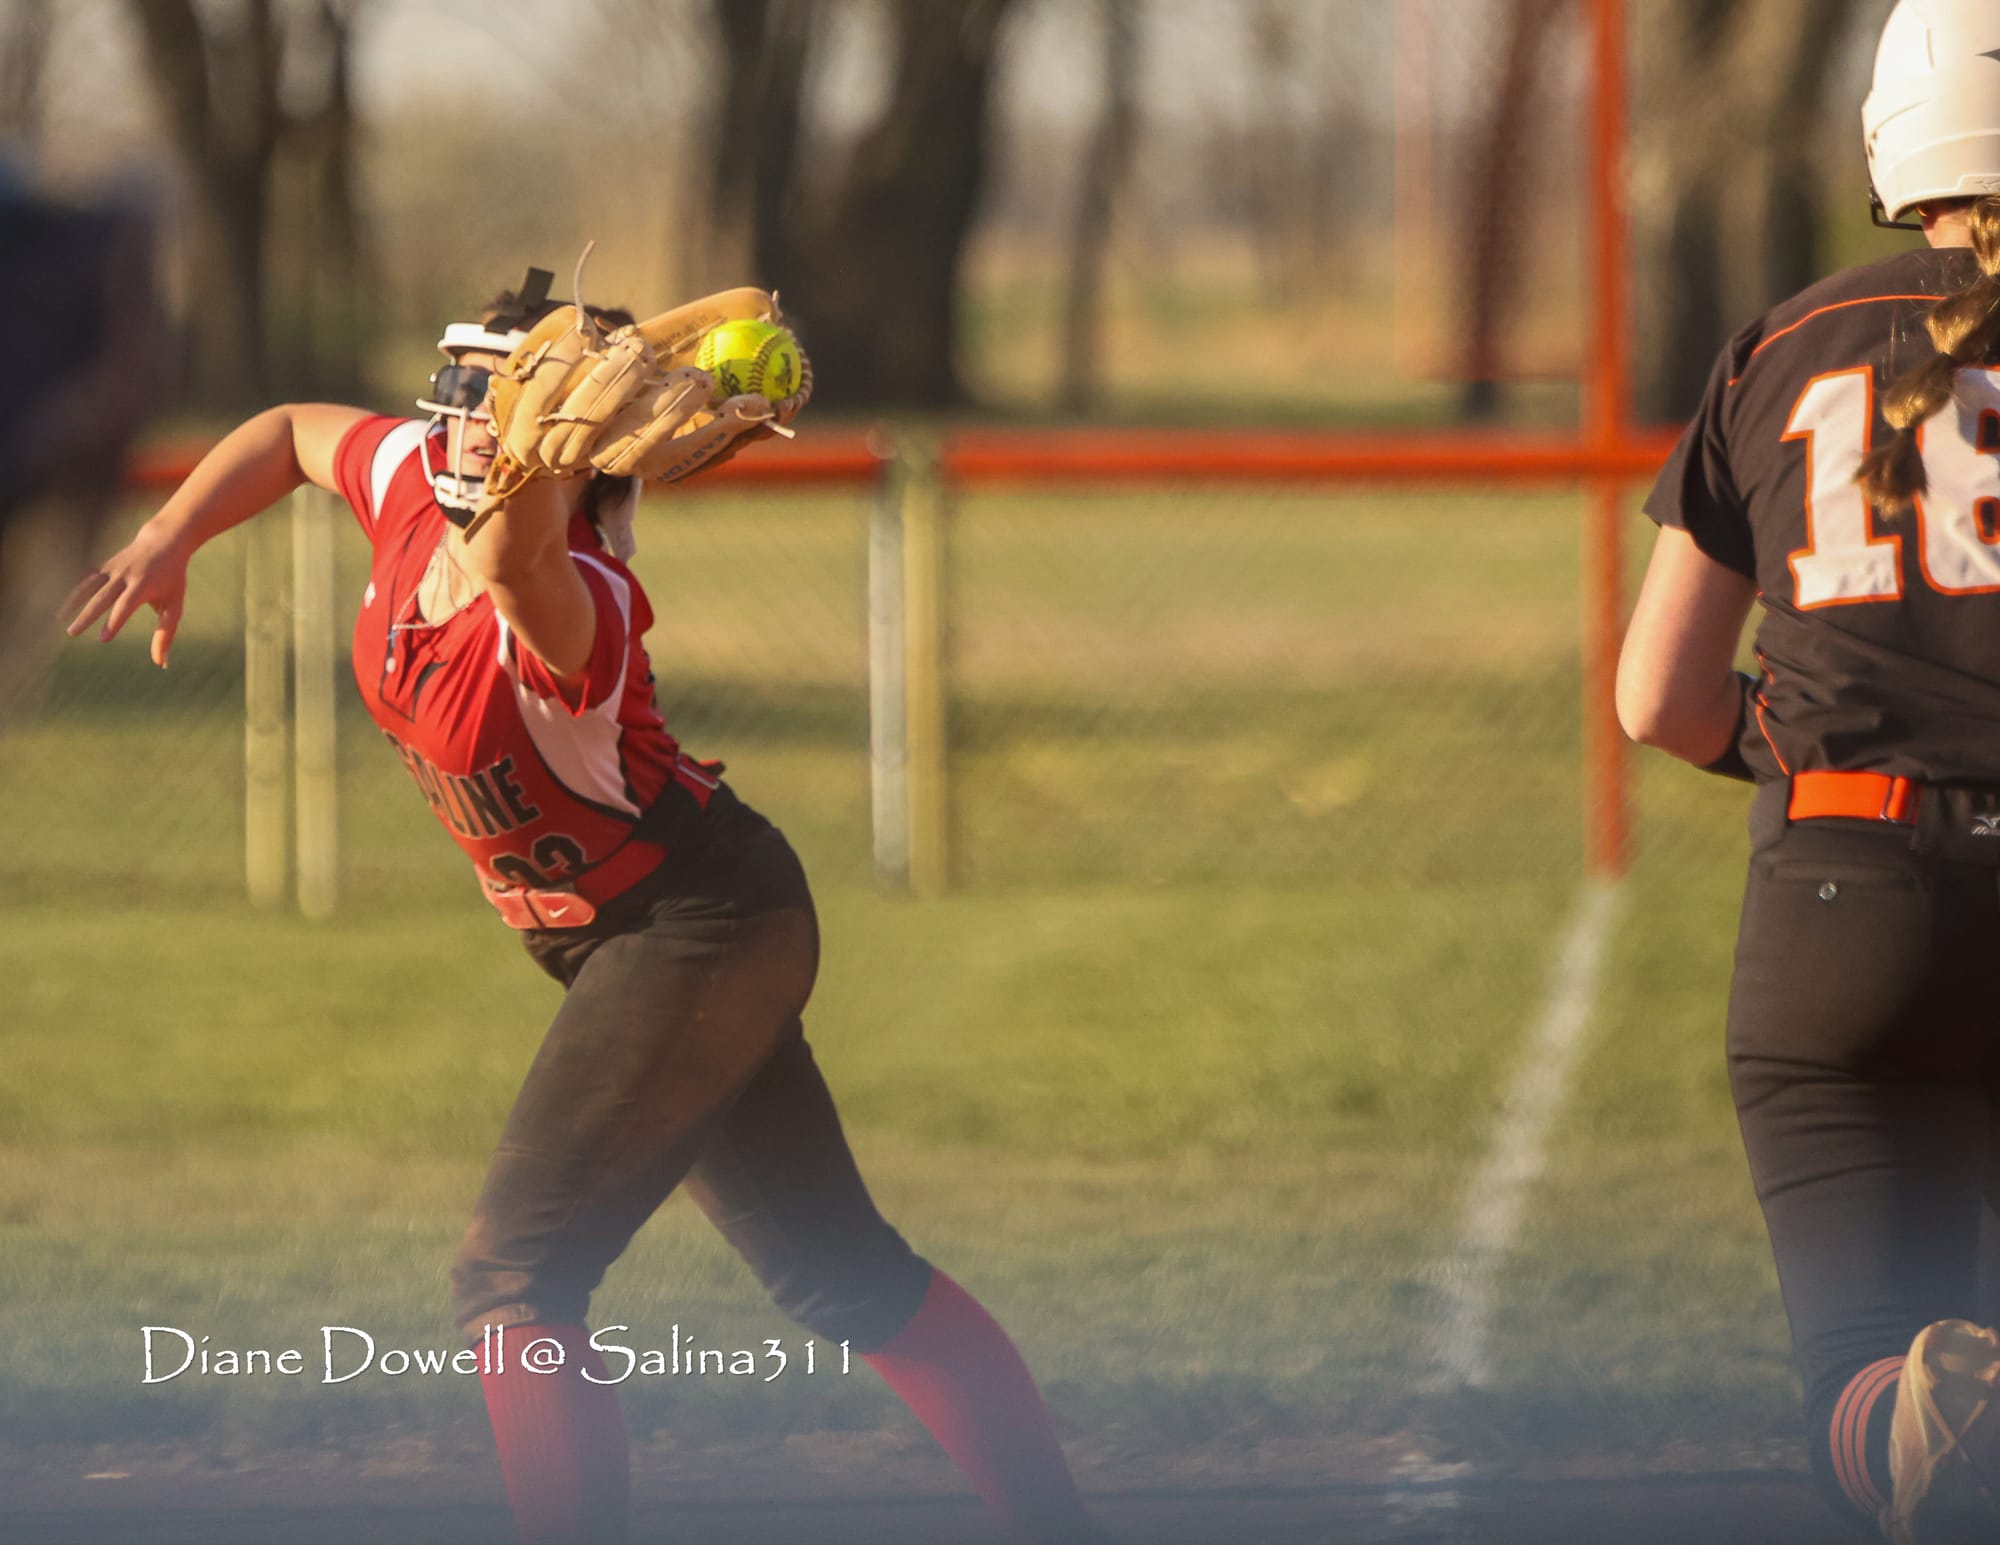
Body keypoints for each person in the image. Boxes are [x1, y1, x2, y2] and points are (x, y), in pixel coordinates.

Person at [61, 274, 1099, 1545]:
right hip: (643, 937)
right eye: (470, 395)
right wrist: (169, 536)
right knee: (839, 1276)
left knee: (511, 1278)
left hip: (696, 927)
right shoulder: (412, 492)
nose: (468, 425)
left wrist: (542, 456)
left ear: (584, 451)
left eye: (509, 408)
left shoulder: (574, 600)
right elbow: (287, 432)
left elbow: (511, 557)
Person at [1616, 3, 2000, 1540]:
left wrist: (1808, 757)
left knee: (1860, 1383)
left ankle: (1905, 1417)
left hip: (1843, 901)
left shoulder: (1780, 344)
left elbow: (1657, 699)